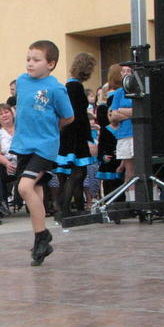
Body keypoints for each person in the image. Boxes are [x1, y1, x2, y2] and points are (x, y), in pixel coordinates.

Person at [11, 40, 74, 266]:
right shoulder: (21, 81)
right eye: (28, 59)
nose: (30, 63)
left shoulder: (56, 88)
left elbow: (69, 116)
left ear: (51, 64)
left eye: (36, 60)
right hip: (22, 145)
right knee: (34, 191)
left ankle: (42, 236)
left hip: (44, 146)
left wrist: (51, 129)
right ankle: (41, 239)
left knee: (24, 187)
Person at [56, 52, 98, 216]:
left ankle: (78, 207)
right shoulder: (76, 88)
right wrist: (88, 138)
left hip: (69, 135)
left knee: (78, 173)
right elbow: (79, 117)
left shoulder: (68, 87)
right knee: (77, 173)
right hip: (76, 136)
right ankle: (64, 207)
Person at [109, 64, 135, 200]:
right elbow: (113, 116)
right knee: (129, 170)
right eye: (123, 71)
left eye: (128, 71)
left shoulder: (137, 90)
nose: (125, 73)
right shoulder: (118, 93)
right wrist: (130, 113)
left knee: (143, 169)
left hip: (138, 133)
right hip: (124, 134)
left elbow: (140, 111)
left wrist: (122, 111)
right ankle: (131, 199)